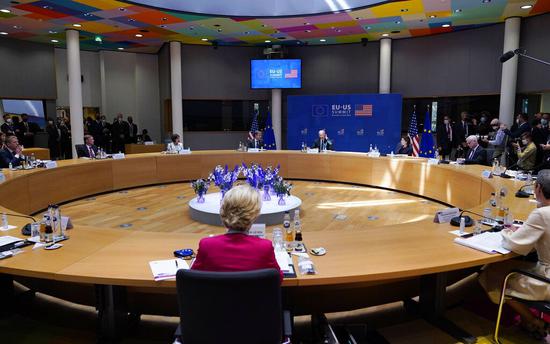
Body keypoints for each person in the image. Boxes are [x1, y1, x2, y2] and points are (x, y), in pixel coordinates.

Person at [479, 169, 550, 339]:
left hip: (547, 280)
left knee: (492, 274)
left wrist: (508, 232)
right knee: (507, 267)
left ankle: (532, 321)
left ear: (537, 188)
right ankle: (532, 322)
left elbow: (514, 245)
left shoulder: (542, 214)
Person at [191, 184, 283, 282]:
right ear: (255, 215)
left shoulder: (207, 245)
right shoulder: (264, 247)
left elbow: (192, 279)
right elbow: (278, 278)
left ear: (223, 211)